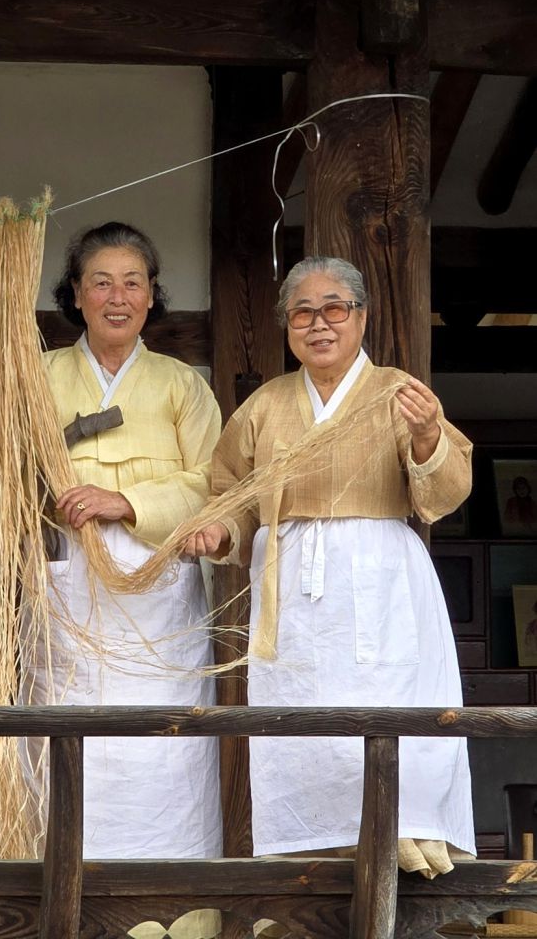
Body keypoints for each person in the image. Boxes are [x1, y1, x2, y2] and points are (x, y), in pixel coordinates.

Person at [184, 254, 476, 877]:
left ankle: (402, 835)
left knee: (387, 700)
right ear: (287, 324)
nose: (319, 324)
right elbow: (230, 492)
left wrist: (427, 438)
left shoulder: (399, 393)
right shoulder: (265, 406)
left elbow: (445, 490)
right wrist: (218, 531)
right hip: (290, 581)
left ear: (361, 316)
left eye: (334, 309)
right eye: (303, 312)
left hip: (379, 577)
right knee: (301, 715)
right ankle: (317, 852)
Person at [24, 221, 223, 860]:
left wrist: (128, 503)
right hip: (67, 586)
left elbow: (215, 485)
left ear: (152, 295)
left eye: (132, 283)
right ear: (75, 295)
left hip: (160, 595)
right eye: (101, 282)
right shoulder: (37, 377)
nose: (118, 296)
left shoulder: (182, 383)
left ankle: (175, 919)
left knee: (162, 752)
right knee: (64, 743)